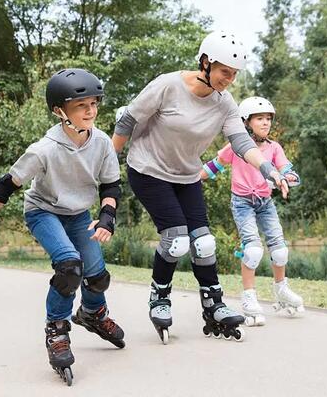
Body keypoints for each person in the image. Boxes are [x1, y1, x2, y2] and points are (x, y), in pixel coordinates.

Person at [112, 30, 289, 344]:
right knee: (176, 239)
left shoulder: (224, 103)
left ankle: (213, 304)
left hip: (186, 175)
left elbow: (240, 141)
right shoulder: (168, 86)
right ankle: (160, 298)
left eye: (234, 75)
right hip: (149, 171)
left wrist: (267, 168)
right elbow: (127, 121)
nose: (229, 80)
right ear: (206, 62)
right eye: (224, 72)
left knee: (204, 243)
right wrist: (108, 163)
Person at [0, 68, 125, 386]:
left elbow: (111, 187)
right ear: (59, 110)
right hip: (44, 213)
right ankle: (57, 329)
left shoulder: (102, 142)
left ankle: (93, 314)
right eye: (81, 106)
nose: (90, 111)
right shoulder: (44, 149)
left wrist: (107, 218)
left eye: (93, 103)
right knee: (69, 268)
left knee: (98, 277)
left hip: (79, 215)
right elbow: (5, 186)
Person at [202, 96, 305, 326]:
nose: (266, 122)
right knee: (253, 250)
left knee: (280, 251)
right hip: (242, 203)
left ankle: (281, 289)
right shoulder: (237, 147)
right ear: (246, 122)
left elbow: (291, 173)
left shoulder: (274, 148)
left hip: (265, 204)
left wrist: (286, 178)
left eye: (268, 118)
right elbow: (213, 166)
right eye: (260, 118)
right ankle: (249, 297)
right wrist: (188, 180)